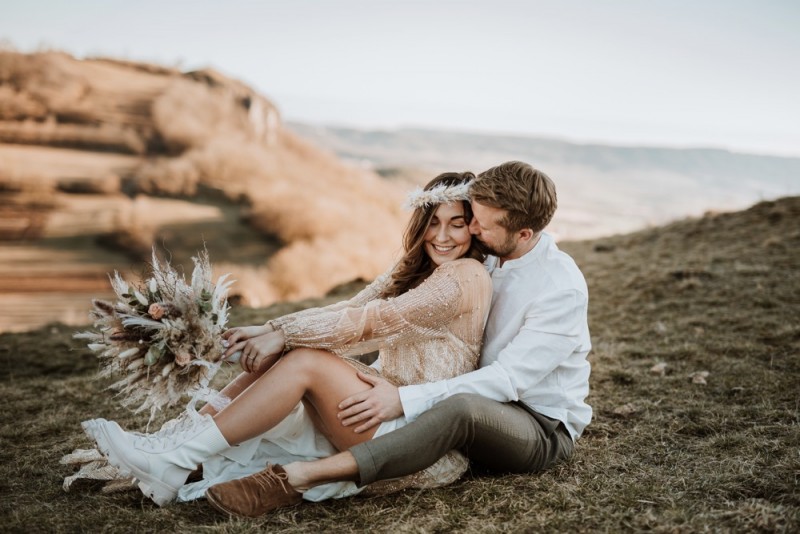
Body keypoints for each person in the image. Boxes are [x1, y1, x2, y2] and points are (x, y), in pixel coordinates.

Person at [81, 171, 493, 509]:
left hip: (418, 441)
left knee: (306, 360)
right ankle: (174, 447)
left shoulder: (465, 276)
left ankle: (175, 458)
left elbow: (372, 321)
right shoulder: (418, 270)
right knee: (288, 353)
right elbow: (348, 308)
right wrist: (270, 330)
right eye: (433, 222)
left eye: (456, 224)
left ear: (474, 229)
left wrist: (282, 335)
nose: (442, 236)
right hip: (383, 408)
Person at [205, 160, 592, 518]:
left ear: (523, 234)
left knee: (462, 409)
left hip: (537, 423)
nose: (472, 229)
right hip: (468, 399)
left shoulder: (559, 288)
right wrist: (276, 330)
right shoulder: (486, 250)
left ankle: (299, 478)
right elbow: (365, 310)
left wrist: (404, 399)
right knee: (320, 358)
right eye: (473, 218)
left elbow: (506, 381)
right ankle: (197, 439)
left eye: (481, 225)